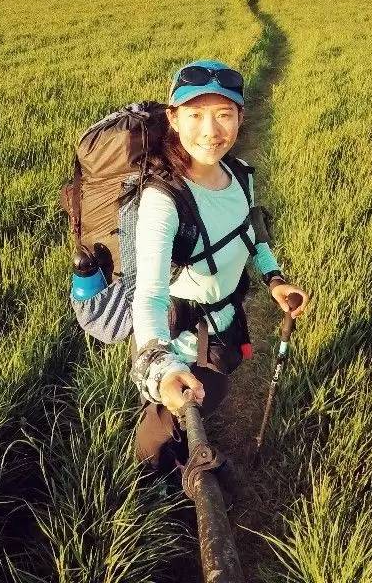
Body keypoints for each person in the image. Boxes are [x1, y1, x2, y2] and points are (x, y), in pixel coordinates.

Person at [129, 59, 308, 478]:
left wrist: (274, 278)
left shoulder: (239, 175)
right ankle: (151, 487)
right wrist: (162, 366)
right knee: (164, 428)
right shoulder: (164, 199)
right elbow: (149, 296)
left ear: (240, 118)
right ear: (173, 119)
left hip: (225, 325)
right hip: (178, 338)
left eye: (224, 114)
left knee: (213, 395)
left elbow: (252, 229)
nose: (211, 130)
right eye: (195, 115)